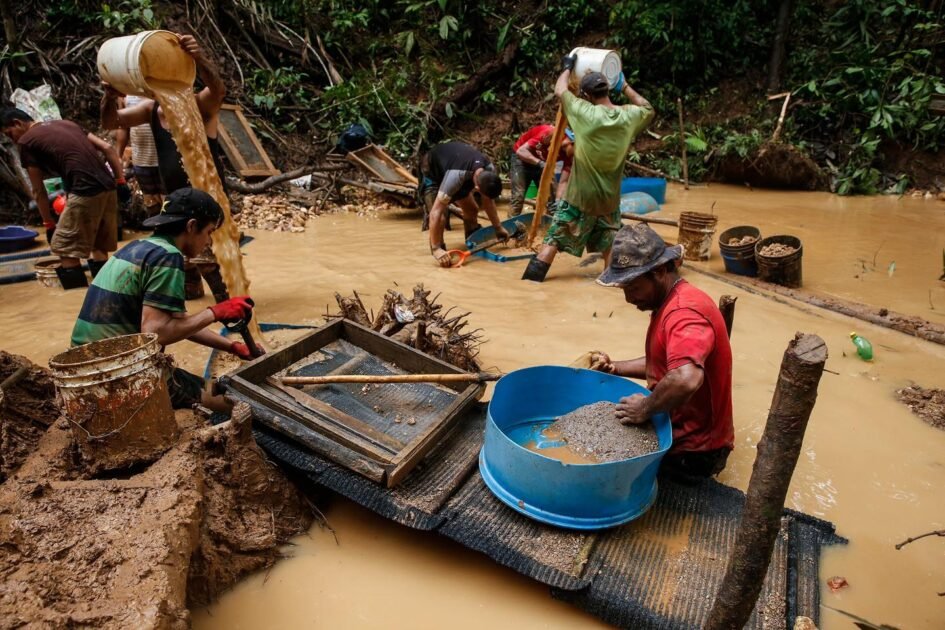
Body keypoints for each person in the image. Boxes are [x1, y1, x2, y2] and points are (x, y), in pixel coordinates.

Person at [70, 188, 262, 414]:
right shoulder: (168, 257)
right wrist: (216, 312)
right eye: (208, 232)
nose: (208, 241)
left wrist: (232, 346)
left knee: (207, 387)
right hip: (121, 377)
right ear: (191, 226)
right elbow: (157, 332)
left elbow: (177, 324)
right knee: (237, 404)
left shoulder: (136, 248)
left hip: (84, 369)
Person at [591, 224, 734, 482]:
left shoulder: (684, 313)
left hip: (695, 450)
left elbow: (685, 378)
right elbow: (667, 363)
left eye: (633, 288)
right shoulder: (670, 300)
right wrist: (616, 367)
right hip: (677, 427)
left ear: (658, 272)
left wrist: (644, 408)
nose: (628, 298)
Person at [101, 33, 230, 302]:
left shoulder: (200, 106)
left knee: (210, 256)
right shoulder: (150, 109)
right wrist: (109, 95)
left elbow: (218, 90)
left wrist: (198, 57)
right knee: (180, 254)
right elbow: (112, 123)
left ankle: (227, 304)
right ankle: (192, 298)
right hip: (175, 197)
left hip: (206, 196)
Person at [521, 54, 654, 283]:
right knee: (610, 245)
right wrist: (625, 86)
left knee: (552, 242)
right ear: (608, 90)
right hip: (608, 202)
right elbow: (648, 107)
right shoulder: (628, 116)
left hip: (579, 198)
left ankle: (530, 289)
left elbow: (560, 89)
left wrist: (567, 67)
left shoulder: (584, 112)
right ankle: (609, 289)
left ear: (587, 95)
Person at [1, 107, 129, 290]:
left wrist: (48, 224)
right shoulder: (67, 123)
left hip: (85, 188)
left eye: (9, 133)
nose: (12, 139)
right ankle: (105, 293)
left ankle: (77, 300)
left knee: (63, 247)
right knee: (98, 245)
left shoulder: (26, 142)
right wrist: (121, 181)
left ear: (17, 123)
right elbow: (108, 148)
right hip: (108, 187)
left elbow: (38, 191)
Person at [420, 141, 509, 267]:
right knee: (441, 218)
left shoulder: (489, 170)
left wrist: (498, 227)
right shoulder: (456, 176)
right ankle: (439, 251)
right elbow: (435, 212)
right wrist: (436, 248)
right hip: (433, 170)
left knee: (472, 209)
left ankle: (471, 243)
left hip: (456, 166)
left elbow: (488, 201)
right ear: (477, 188)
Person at [508, 125, 573, 218]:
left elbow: (563, 181)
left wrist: (559, 200)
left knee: (552, 199)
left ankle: (549, 226)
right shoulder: (549, 133)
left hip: (543, 163)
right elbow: (521, 151)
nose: (564, 150)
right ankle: (511, 228)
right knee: (518, 196)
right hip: (522, 159)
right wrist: (540, 163)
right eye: (564, 147)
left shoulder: (570, 156)